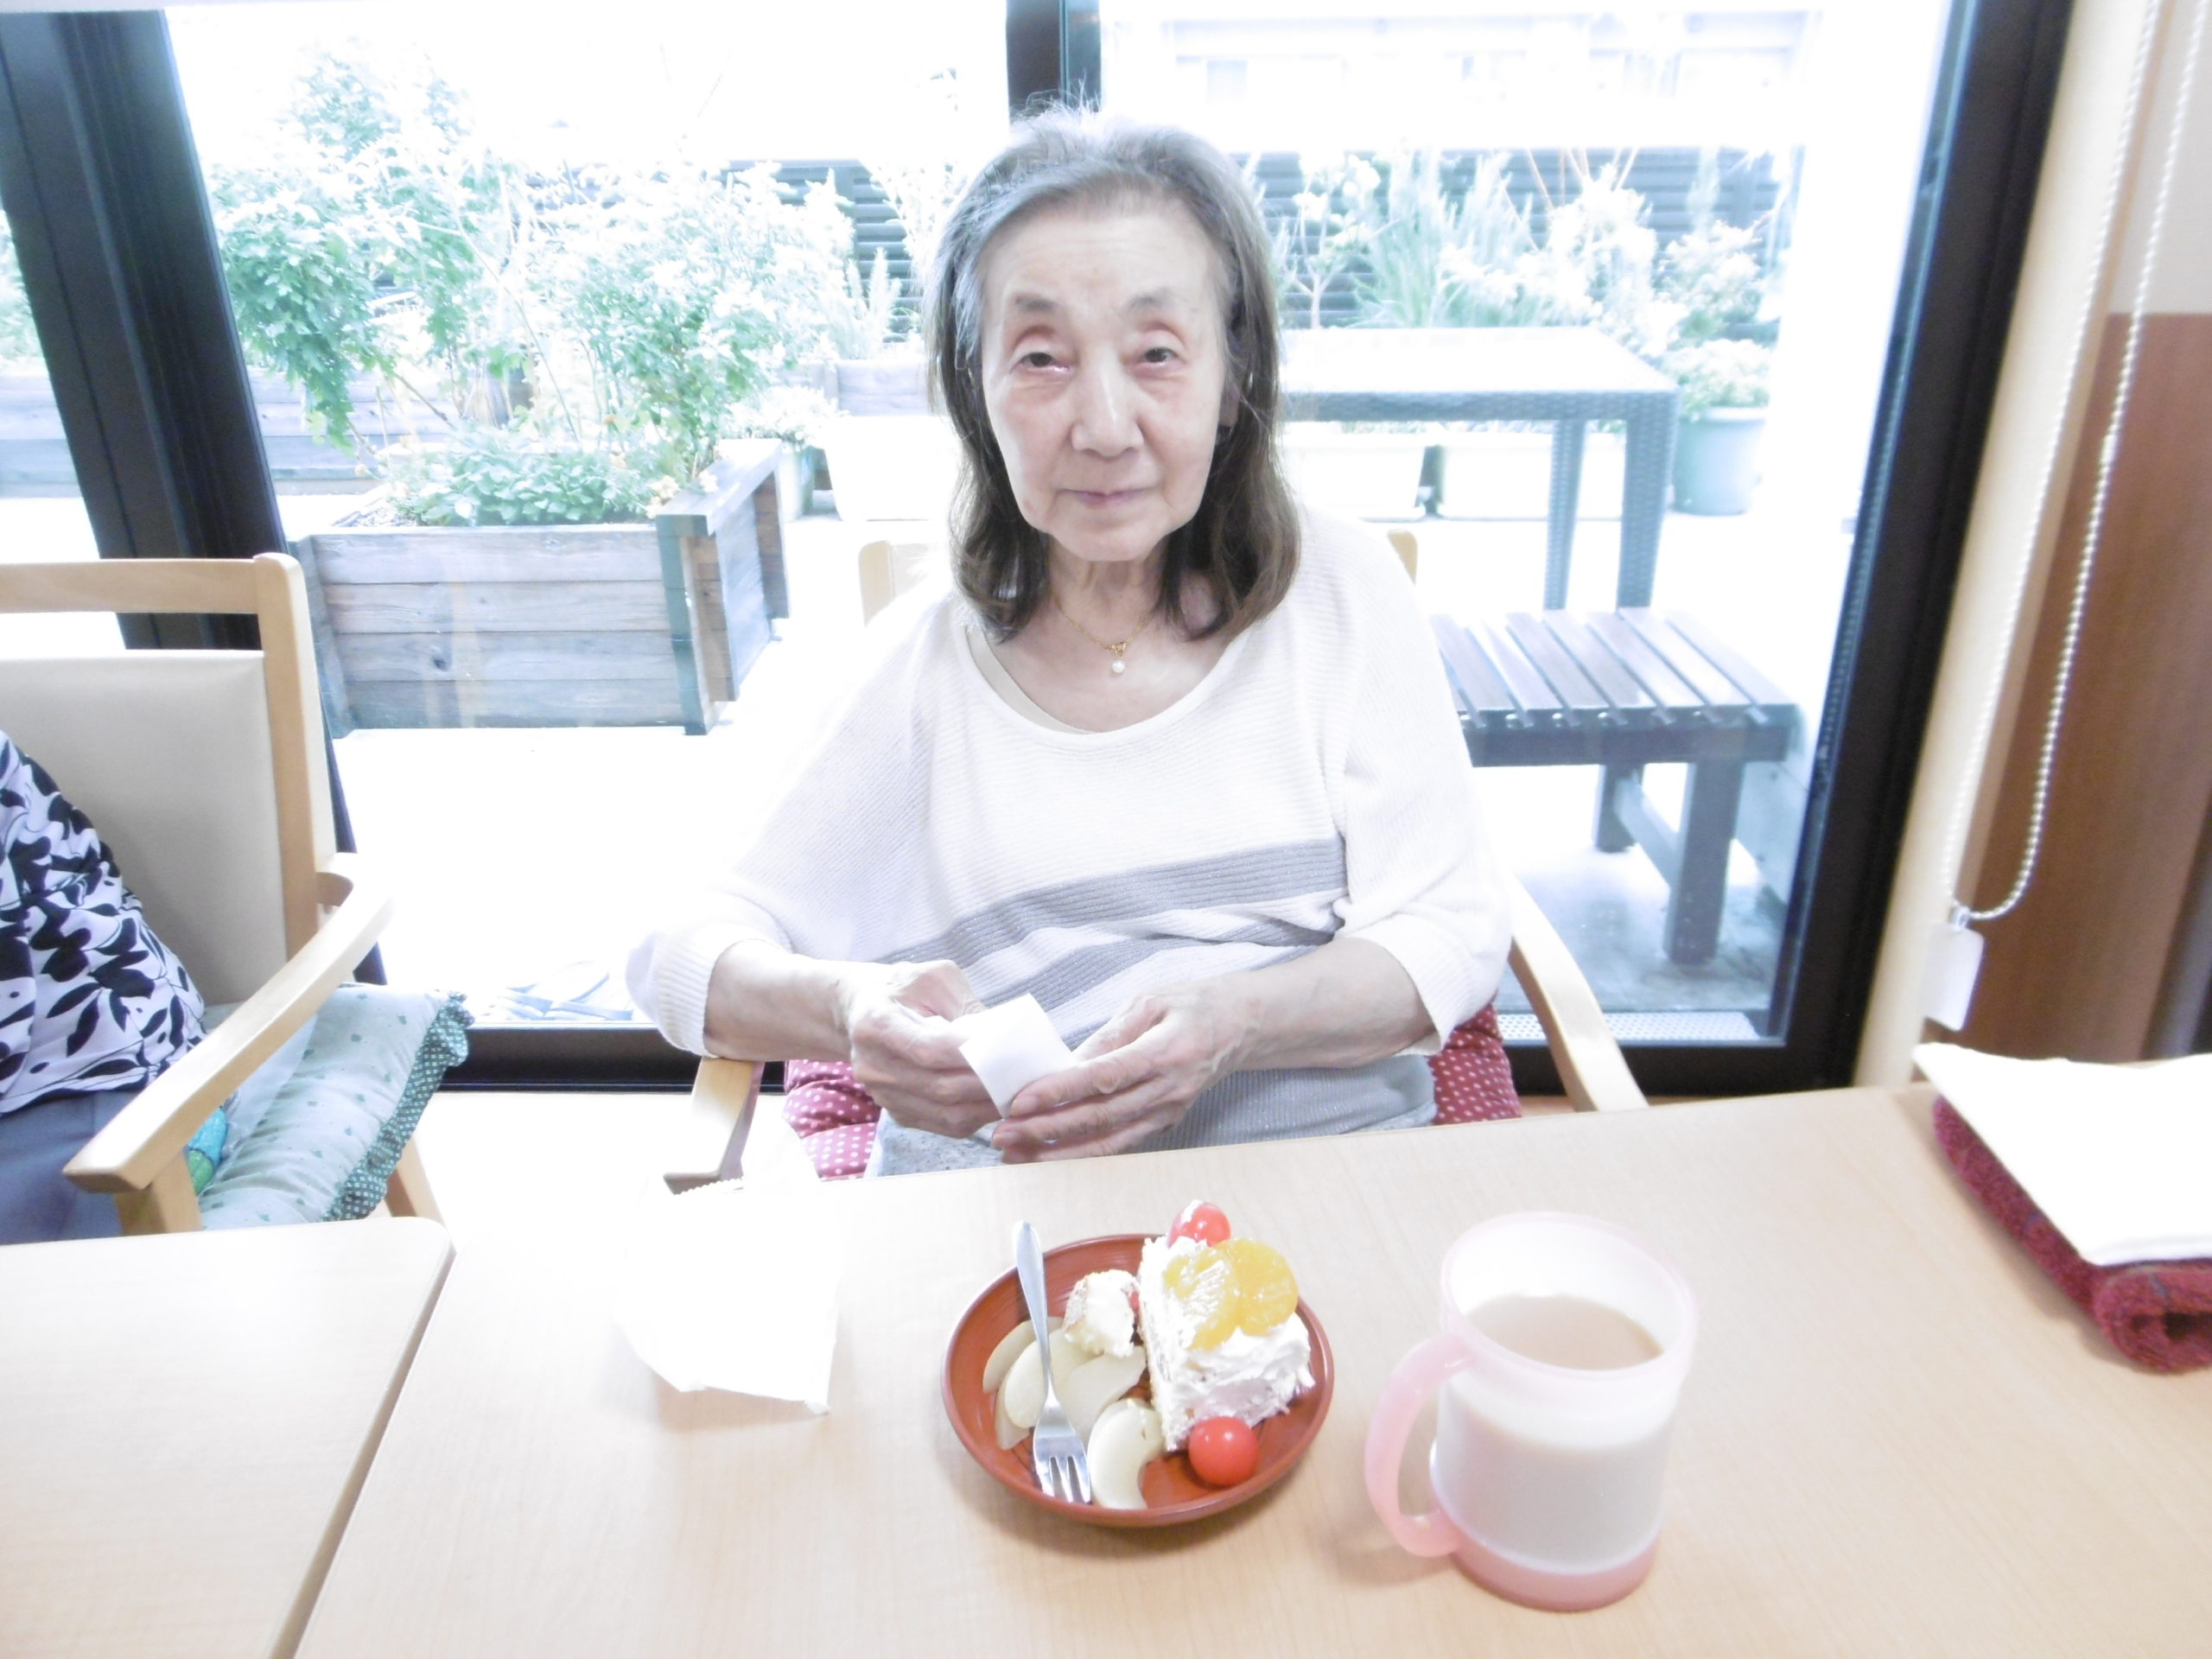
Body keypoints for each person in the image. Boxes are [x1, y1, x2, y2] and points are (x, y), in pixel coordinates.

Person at [627, 111, 1509, 1175]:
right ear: (976, 390)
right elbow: (676, 953)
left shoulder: (1343, 594)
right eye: (1041, 357)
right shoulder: (919, 669)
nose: (1102, 426)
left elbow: (1450, 931)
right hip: (1021, 1218)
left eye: (1156, 354)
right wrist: (852, 1007)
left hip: (1326, 1181)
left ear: (1232, 379)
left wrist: (1234, 1025)